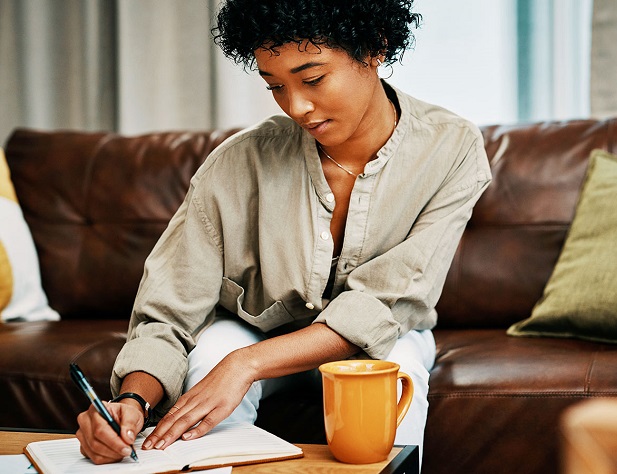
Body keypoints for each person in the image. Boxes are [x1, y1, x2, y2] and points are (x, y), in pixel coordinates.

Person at [75, 0, 491, 466]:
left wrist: (246, 365)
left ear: (374, 49)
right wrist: (131, 404)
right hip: (253, 331)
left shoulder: (452, 147)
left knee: (396, 377)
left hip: (386, 336)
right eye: (275, 86)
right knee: (213, 352)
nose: (297, 106)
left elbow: (387, 303)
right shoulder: (239, 162)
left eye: (312, 78)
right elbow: (168, 310)